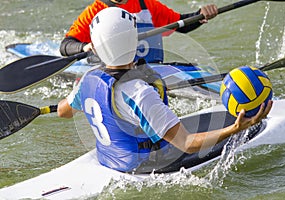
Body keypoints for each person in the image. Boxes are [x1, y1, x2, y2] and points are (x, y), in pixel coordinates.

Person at [58, 7, 272, 173]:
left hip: (109, 159)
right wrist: (236, 128)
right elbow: (187, 144)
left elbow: (63, 112)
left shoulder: (87, 79)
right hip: (143, 167)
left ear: (94, 47)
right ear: (136, 40)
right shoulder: (139, 93)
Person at [59, 0, 218, 63]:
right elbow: (66, 46)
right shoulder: (94, 12)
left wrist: (201, 15)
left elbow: (179, 24)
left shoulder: (146, 4)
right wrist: (85, 47)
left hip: (150, 69)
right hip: (112, 74)